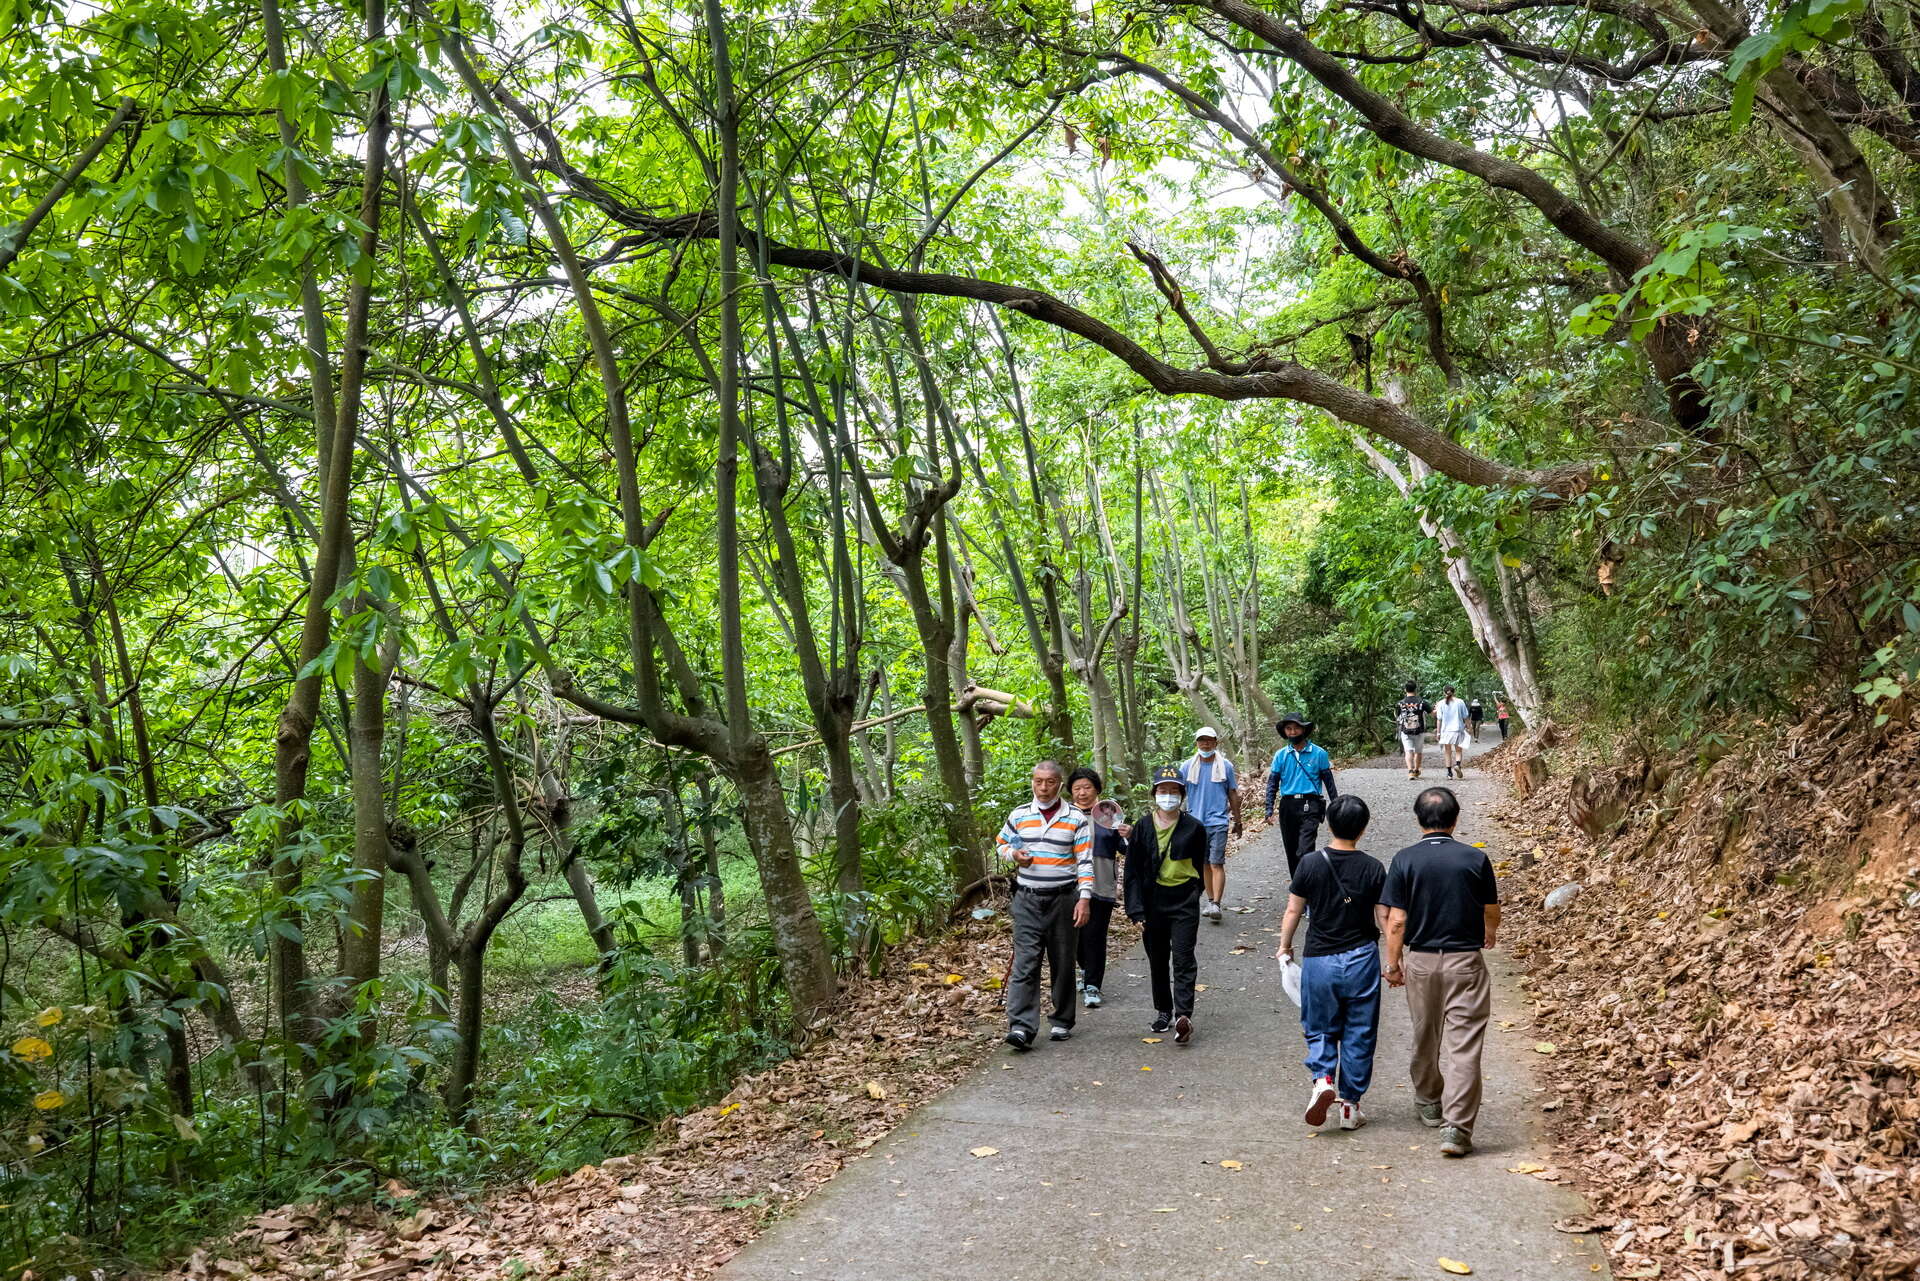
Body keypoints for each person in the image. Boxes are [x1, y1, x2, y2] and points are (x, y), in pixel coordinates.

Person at [1381, 787, 1501, 1158]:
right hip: (1465, 960)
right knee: (1464, 1046)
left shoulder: (1404, 860)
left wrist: (1393, 962)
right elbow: (1491, 909)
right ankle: (1458, 1129)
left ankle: (1429, 1099)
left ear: (1419, 820)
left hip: (1421, 960)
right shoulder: (1474, 859)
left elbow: (1397, 920)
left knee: (1425, 1032)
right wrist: (1490, 933)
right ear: (1455, 819)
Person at [1278, 795, 1387, 1132]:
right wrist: (1396, 955)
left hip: (1320, 958)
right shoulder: (1373, 867)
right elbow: (1383, 916)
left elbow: (1294, 910)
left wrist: (1284, 947)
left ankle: (1323, 1078)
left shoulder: (1309, 864)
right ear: (1364, 828)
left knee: (1320, 1024)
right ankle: (1350, 1106)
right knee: (1360, 1030)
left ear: (1327, 823)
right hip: (1361, 957)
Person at [995, 760, 1093, 1051]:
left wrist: (1085, 898)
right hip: (1027, 898)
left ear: (1060, 785)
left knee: (1063, 961)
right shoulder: (1020, 815)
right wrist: (1015, 855)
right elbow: (1001, 844)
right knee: (1025, 963)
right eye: (1038, 781)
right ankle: (1021, 1028)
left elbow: (1085, 861)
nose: (1043, 787)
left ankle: (1062, 1018)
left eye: (1050, 782)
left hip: (1063, 898)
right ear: (1032, 782)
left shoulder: (1075, 817)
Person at [1124, 766, 1208, 1045]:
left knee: (1184, 958)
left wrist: (1195, 892)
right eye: (1163, 791)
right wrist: (1135, 909)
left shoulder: (1194, 828)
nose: (1168, 796)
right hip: (1152, 902)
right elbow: (1132, 871)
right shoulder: (1142, 827)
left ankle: (1184, 1015)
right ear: (1154, 794)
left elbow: (1201, 865)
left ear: (1182, 795)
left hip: (1184, 900)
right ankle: (1163, 1010)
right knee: (1158, 958)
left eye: (1174, 791)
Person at [1067, 765, 1127, 1009]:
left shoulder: (1108, 814)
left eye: (1087, 787)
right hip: (1070, 884)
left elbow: (1125, 849)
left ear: (1097, 790)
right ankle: (1085, 969)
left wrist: (1128, 835)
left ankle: (1093, 984)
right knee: (1076, 936)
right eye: (1077, 788)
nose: (1082, 792)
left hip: (1102, 883)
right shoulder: (1065, 816)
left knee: (1096, 935)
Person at [1263, 712, 1338, 879]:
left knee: (1305, 849)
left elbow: (1329, 782)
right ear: (1285, 732)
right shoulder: (1280, 755)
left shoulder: (1319, 753)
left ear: (1303, 729)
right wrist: (1268, 809)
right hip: (1288, 806)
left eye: (1296, 728)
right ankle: (1299, 888)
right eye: (1289, 729)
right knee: (1291, 850)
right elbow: (1272, 784)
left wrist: (1337, 805)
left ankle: (1307, 886)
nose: (1292, 732)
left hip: (1311, 805)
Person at [1181, 727, 1243, 923]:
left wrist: (1238, 819)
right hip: (1195, 823)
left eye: (1209, 740)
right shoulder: (1186, 766)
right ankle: (1210, 900)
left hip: (1218, 821)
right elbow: (1179, 793)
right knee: (1204, 863)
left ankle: (1216, 902)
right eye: (1201, 740)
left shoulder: (1225, 766)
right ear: (1196, 743)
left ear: (1216, 743)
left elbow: (1232, 793)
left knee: (1216, 862)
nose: (1205, 744)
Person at [1394, 682, 1432, 780]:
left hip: (1405, 730)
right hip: (1419, 730)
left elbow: (1398, 717)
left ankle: (1410, 771)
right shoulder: (1422, 702)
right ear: (1416, 689)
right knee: (1418, 752)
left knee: (1408, 751)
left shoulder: (1400, 703)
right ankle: (1416, 770)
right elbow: (1432, 713)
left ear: (1405, 690)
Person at [1433, 685, 1470, 779]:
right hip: (1458, 730)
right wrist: (1469, 728)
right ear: (1454, 692)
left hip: (1446, 731)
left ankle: (1449, 773)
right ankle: (1457, 765)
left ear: (1443, 692)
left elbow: (1439, 719)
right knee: (1458, 750)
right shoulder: (1460, 702)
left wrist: (1438, 732)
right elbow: (1465, 716)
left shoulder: (1440, 703)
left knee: (1447, 752)